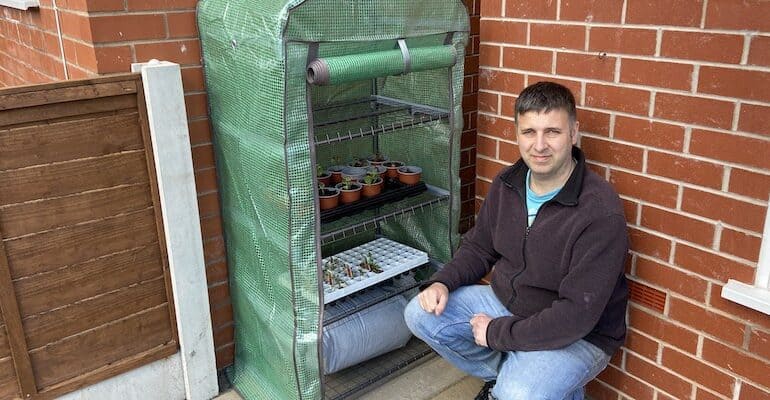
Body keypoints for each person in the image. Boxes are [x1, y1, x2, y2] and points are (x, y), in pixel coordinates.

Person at [404, 81, 629, 400]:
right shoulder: (507, 184)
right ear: (517, 133)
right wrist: (442, 283)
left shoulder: (599, 211)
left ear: (574, 133)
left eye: (552, 131)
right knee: (419, 313)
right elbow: (479, 248)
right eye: (529, 131)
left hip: (580, 335)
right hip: (507, 303)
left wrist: (496, 334)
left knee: (519, 394)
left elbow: (575, 316)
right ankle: (520, 375)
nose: (539, 145)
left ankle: (526, 383)